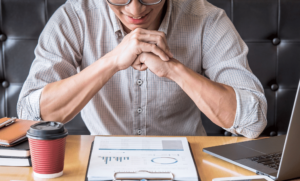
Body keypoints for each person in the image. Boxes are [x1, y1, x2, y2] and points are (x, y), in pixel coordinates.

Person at [17, 0, 267, 138]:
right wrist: (112, 61)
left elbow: (252, 122)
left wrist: (173, 69)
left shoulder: (207, 19)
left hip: (188, 159)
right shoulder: (74, 17)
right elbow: (31, 116)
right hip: (102, 160)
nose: (135, 9)